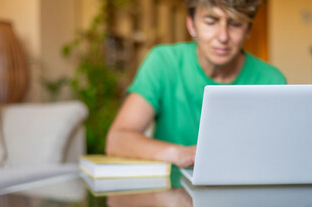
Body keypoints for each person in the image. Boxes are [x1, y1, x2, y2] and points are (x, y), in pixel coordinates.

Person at [106, 0, 287, 169]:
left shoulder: (271, 80)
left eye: (235, 24)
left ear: (248, 29)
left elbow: (281, 156)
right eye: (211, 21)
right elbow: (117, 140)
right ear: (191, 25)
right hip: (170, 196)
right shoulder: (163, 62)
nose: (223, 37)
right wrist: (179, 153)